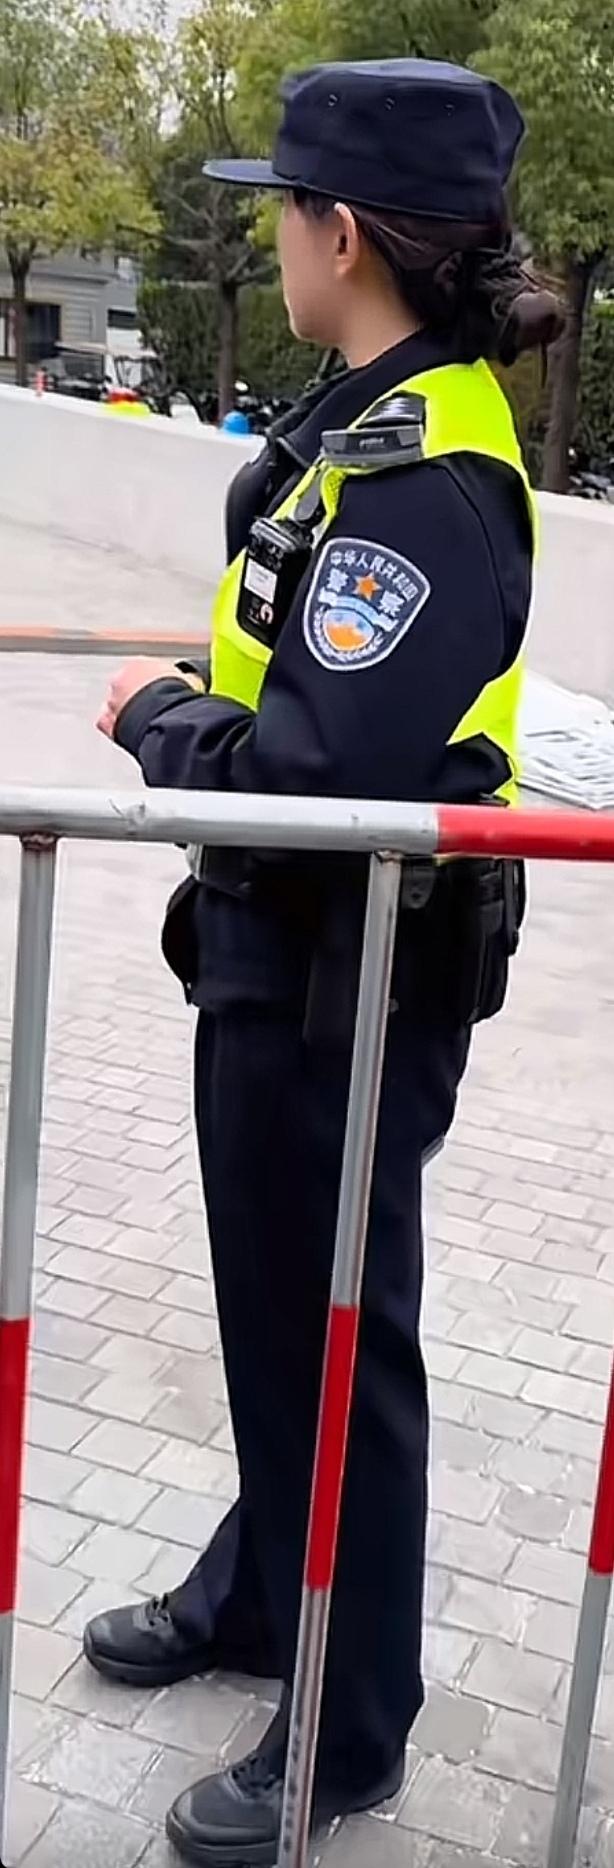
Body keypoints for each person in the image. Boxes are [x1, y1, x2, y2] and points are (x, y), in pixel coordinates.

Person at [90, 57, 564, 1867]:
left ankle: (347, 1731)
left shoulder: (429, 472)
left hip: (351, 972)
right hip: (282, 954)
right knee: (277, 1315)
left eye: (280, 211)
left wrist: (159, 722)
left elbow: (320, 773)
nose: (275, 241)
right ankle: (257, 1589)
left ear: (339, 231)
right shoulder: (362, 417)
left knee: (342, 1339)